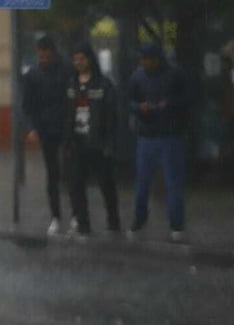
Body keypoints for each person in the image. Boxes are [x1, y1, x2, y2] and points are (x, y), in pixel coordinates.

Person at [128, 42, 190, 242]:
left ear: (156, 59)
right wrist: (140, 108)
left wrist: (169, 104)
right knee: (143, 182)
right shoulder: (138, 76)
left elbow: (188, 98)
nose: (144, 63)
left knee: (173, 182)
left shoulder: (175, 74)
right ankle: (139, 219)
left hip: (170, 134)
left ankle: (176, 224)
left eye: (147, 59)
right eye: (143, 59)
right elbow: (129, 101)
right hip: (148, 134)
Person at [64, 41, 121, 237]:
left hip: (98, 143)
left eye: (82, 59)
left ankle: (113, 222)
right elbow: (66, 112)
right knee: (76, 185)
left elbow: (112, 116)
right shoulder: (71, 83)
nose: (78, 63)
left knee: (106, 184)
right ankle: (83, 225)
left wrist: (109, 143)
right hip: (77, 143)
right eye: (75, 59)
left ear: (89, 60)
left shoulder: (103, 85)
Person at [22, 34, 73, 235]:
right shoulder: (33, 75)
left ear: (53, 52)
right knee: (52, 174)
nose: (43, 56)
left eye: (46, 53)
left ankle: (77, 215)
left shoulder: (67, 70)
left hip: (68, 129)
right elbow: (27, 106)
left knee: (71, 172)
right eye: (40, 53)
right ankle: (56, 217)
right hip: (46, 130)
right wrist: (32, 128)